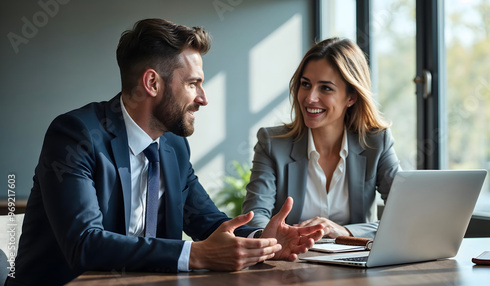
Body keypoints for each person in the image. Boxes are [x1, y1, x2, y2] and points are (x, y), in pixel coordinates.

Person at [6, 19, 323, 286]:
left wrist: (260, 242)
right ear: (152, 83)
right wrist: (195, 254)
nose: (203, 98)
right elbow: (84, 244)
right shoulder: (75, 135)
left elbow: (208, 221)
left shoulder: (173, 145)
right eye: (193, 84)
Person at [242, 37, 401, 239]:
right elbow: (254, 216)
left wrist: (344, 231)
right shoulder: (272, 144)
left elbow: (403, 216)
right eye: (305, 84)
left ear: (351, 97)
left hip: (356, 262)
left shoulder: (376, 143)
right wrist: (282, 237)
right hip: (291, 261)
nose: (310, 98)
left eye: (325, 88)